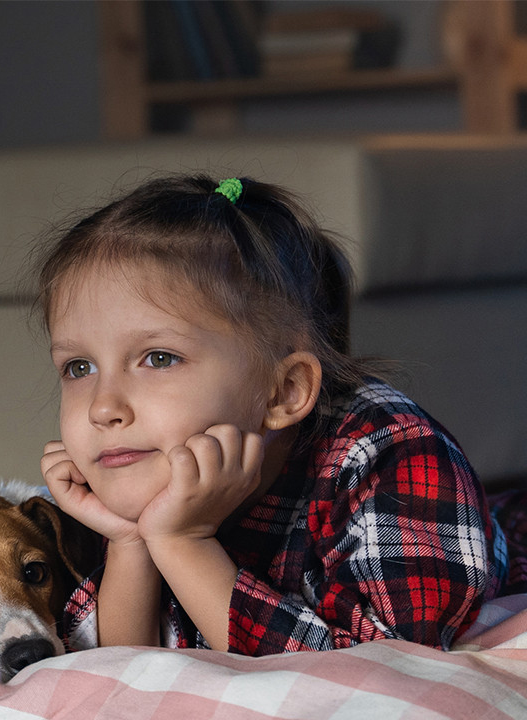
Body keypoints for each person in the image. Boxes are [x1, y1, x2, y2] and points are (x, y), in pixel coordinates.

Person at [36, 174, 510, 655]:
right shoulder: (131, 481)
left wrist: (185, 543)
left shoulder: (390, 454)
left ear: (282, 391)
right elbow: (123, 676)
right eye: (79, 367)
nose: (102, 407)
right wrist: (131, 542)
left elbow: (380, 671)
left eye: (159, 358)